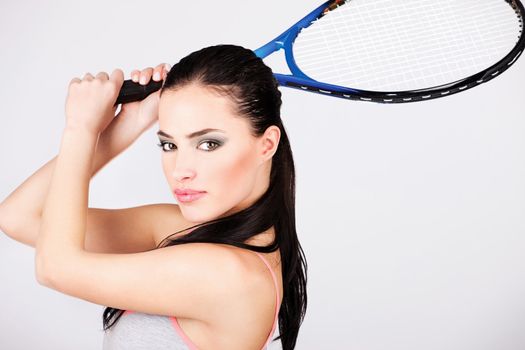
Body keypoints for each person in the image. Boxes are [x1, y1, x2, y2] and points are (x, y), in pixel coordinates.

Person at [0, 44, 307, 349]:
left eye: (208, 144)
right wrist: (126, 127)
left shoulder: (232, 275)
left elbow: (56, 268)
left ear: (266, 145)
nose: (180, 171)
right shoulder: (189, 233)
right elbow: (20, 217)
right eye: (169, 145)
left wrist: (81, 129)